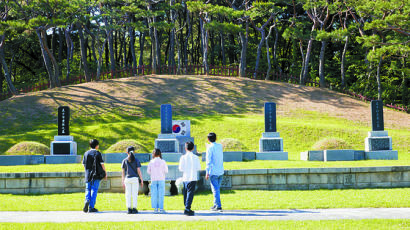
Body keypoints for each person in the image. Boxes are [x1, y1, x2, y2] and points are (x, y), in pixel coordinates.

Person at [83, 139, 107, 213]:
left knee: (88, 189)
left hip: (88, 175)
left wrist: (87, 172)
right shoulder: (98, 153)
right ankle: (91, 207)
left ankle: (87, 200)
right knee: (94, 190)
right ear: (96, 146)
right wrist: (105, 173)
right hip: (96, 175)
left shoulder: (86, 153)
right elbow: (102, 165)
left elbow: (84, 165)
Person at [179, 142, 201, 216]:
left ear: (185, 148)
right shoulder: (196, 157)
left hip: (185, 177)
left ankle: (186, 207)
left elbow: (180, 169)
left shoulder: (183, 157)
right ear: (193, 148)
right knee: (190, 193)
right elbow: (198, 168)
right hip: (193, 177)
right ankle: (187, 209)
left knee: (185, 193)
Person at [121, 146, 144, 214]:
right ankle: (134, 208)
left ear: (126, 152)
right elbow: (139, 171)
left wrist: (122, 181)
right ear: (134, 152)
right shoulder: (136, 160)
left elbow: (123, 172)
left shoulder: (124, 160)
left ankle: (128, 208)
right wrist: (141, 180)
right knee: (134, 194)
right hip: (135, 179)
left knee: (128, 194)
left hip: (127, 179)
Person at [205, 132, 224, 212]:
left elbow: (208, 161)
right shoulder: (220, 146)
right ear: (216, 138)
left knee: (215, 190)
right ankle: (215, 204)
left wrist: (207, 172)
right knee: (217, 189)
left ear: (208, 139)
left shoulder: (210, 148)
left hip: (213, 171)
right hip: (220, 170)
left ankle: (218, 206)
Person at [147, 148, 168, 214]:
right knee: (161, 194)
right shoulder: (163, 161)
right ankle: (161, 208)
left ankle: (155, 209)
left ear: (153, 154)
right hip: (161, 179)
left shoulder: (151, 162)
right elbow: (166, 171)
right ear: (160, 154)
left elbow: (148, 171)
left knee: (154, 194)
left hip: (153, 179)